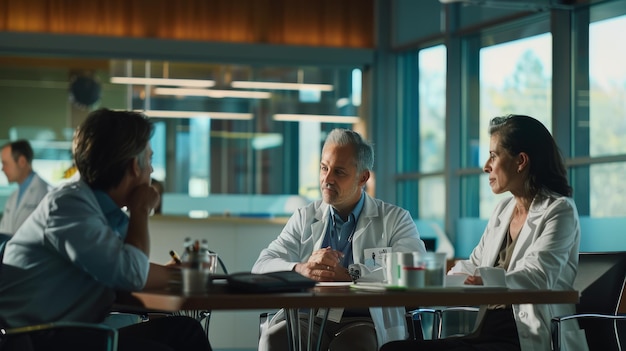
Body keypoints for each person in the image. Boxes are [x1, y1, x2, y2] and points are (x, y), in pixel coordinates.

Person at [0, 109, 211, 351]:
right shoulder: (68, 207)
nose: (152, 171)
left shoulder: (99, 210)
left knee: (185, 330)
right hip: (36, 340)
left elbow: (127, 267)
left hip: (66, 333)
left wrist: (179, 274)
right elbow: (130, 275)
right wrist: (140, 210)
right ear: (134, 166)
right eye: (150, 160)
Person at [381, 115, 588, 351]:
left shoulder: (559, 210)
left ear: (521, 161)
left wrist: (485, 280)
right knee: (393, 348)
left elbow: (538, 277)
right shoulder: (503, 210)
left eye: (493, 155)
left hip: (527, 337)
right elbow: (473, 264)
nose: (485, 166)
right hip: (486, 332)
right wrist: (430, 281)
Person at [253, 128, 427, 351]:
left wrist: (349, 275)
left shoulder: (395, 219)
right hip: (309, 319)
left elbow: (413, 269)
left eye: (339, 172)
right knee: (274, 339)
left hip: (364, 322)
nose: (327, 179)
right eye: (324, 168)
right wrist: (300, 269)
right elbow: (261, 266)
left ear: (363, 177)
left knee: (353, 345)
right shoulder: (304, 217)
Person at [0, 139, 51, 234]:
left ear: (22, 162)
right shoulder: (13, 197)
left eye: (5, 163)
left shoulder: (46, 193)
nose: (2, 169)